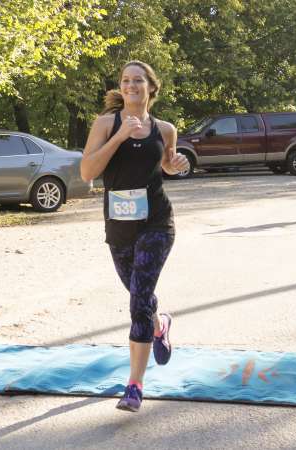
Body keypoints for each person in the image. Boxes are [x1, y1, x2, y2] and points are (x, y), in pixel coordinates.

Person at [80, 61, 189, 412]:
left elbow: (167, 164)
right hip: (119, 226)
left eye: (138, 80)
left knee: (138, 301)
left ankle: (135, 386)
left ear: (150, 88)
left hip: (157, 222)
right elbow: (87, 172)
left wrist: (174, 166)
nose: (131, 86)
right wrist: (120, 136)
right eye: (126, 81)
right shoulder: (105, 124)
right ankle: (161, 324)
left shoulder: (165, 129)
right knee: (139, 294)